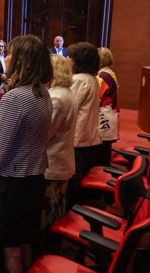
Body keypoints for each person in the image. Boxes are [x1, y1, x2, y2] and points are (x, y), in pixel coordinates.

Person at [0, 34, 53, 273]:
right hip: (34, 179)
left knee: (11, 248)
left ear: (22, 60)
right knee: (24, 241)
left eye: (11, 52)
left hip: (13, 183)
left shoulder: (16, 98)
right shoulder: (41, 93)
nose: (7, 57)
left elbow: (0, 147)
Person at [41, 55, 78, 241]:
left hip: (53, 164)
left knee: (49, 217)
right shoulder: (67, 92)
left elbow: (43, 135)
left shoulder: (55, 97)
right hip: (62, 159)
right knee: (57, 210)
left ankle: (46, 258)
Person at [67, 41, 102, 207]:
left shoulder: (79, 80)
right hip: (88, 134)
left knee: (74, 177)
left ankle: (73, 210)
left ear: (77, 61)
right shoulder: (92, 78)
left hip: (78, 136)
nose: (67, 59)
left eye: (69, 57)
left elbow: (69, 106)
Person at [97, 47, 120, 161]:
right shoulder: (110, 72)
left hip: (104, 115)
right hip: (110, 112)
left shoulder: (102, 76)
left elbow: (97, 98)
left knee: (102, 150)